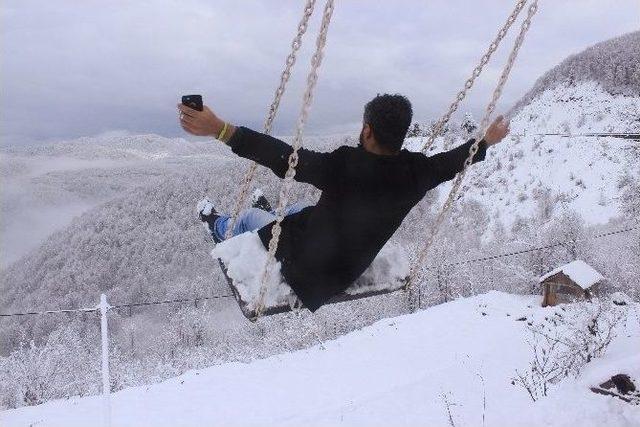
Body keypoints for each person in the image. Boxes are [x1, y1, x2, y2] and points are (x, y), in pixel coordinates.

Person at [178, 94, 509, 312]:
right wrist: (486, 141)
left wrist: (221, 130)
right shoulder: (418, 172)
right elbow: (455, 160)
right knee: (296, 212)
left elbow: (284, 159)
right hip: (344, 259)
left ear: (366, 130)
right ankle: (269, 213)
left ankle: (217, 226)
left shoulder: (344, 165)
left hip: (306, 268)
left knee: (250, 219)